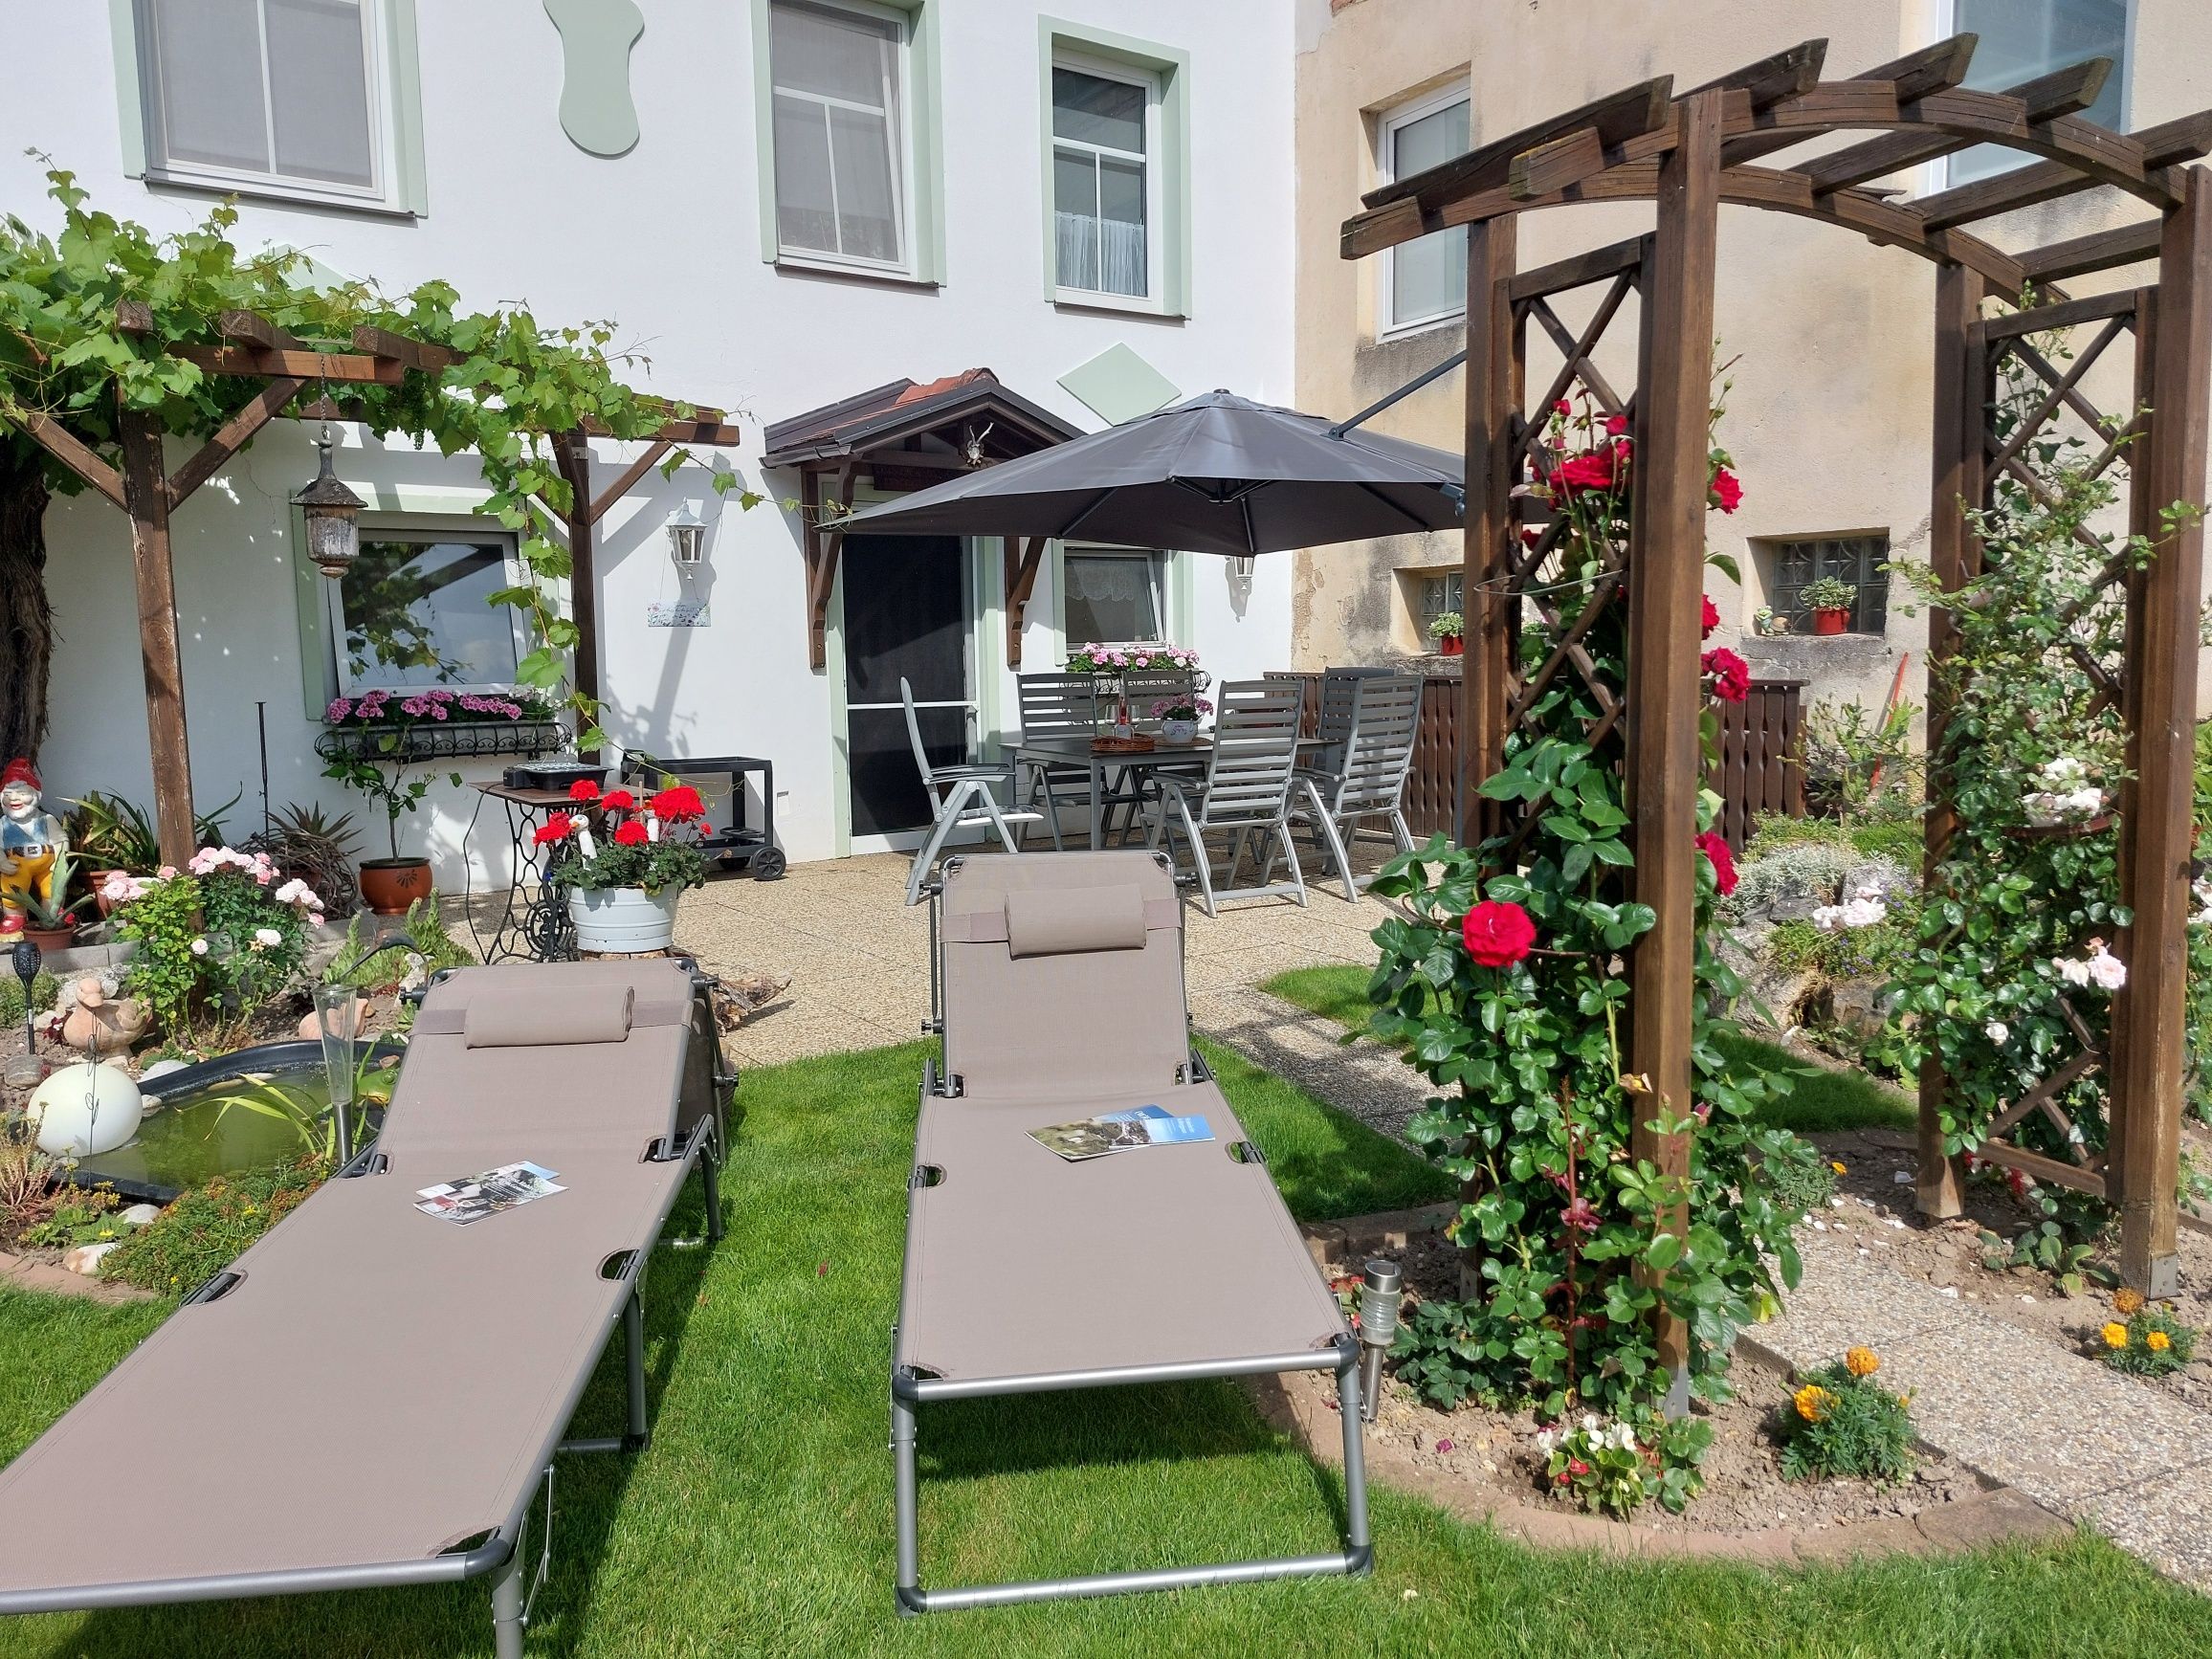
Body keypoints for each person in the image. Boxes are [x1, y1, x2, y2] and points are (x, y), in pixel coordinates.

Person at [0, 760, 67, 935]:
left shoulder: (46, 820)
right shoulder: (2, 824)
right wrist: (2, 861)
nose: (14, 798)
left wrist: (60, 862)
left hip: (46, 864)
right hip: (16, 866)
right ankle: (15, 917)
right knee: (13, 888)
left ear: (35, 794)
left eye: (22, 793)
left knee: (53, 886)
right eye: (8, 794)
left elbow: (60, 840)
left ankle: (52, 913)